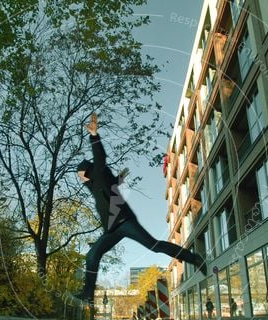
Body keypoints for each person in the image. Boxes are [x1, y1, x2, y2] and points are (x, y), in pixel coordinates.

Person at [74, 113, 206, 309]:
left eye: (79, 175)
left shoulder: (99, 174)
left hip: (125, 222)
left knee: (154, 245)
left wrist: (94, 135)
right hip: (111, 230)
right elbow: (111, 186)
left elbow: (99, 158)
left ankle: (194, 258)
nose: (79, 179)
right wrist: (118, 179)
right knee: (92, 256)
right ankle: (88, 295)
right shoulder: (95, 185)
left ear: (86, 172)